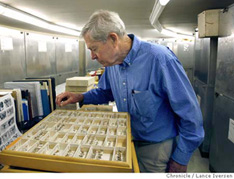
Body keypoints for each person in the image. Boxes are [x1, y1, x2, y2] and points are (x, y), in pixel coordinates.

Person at [56, 10, 204, 173]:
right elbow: (106, 92)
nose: (92, 56)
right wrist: (80, 96)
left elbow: (190, 113)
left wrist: (181, 158)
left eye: (94, 49)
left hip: (155, 149)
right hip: (126, 139)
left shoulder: (160, 59)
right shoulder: (112, 64)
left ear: (113, 38)